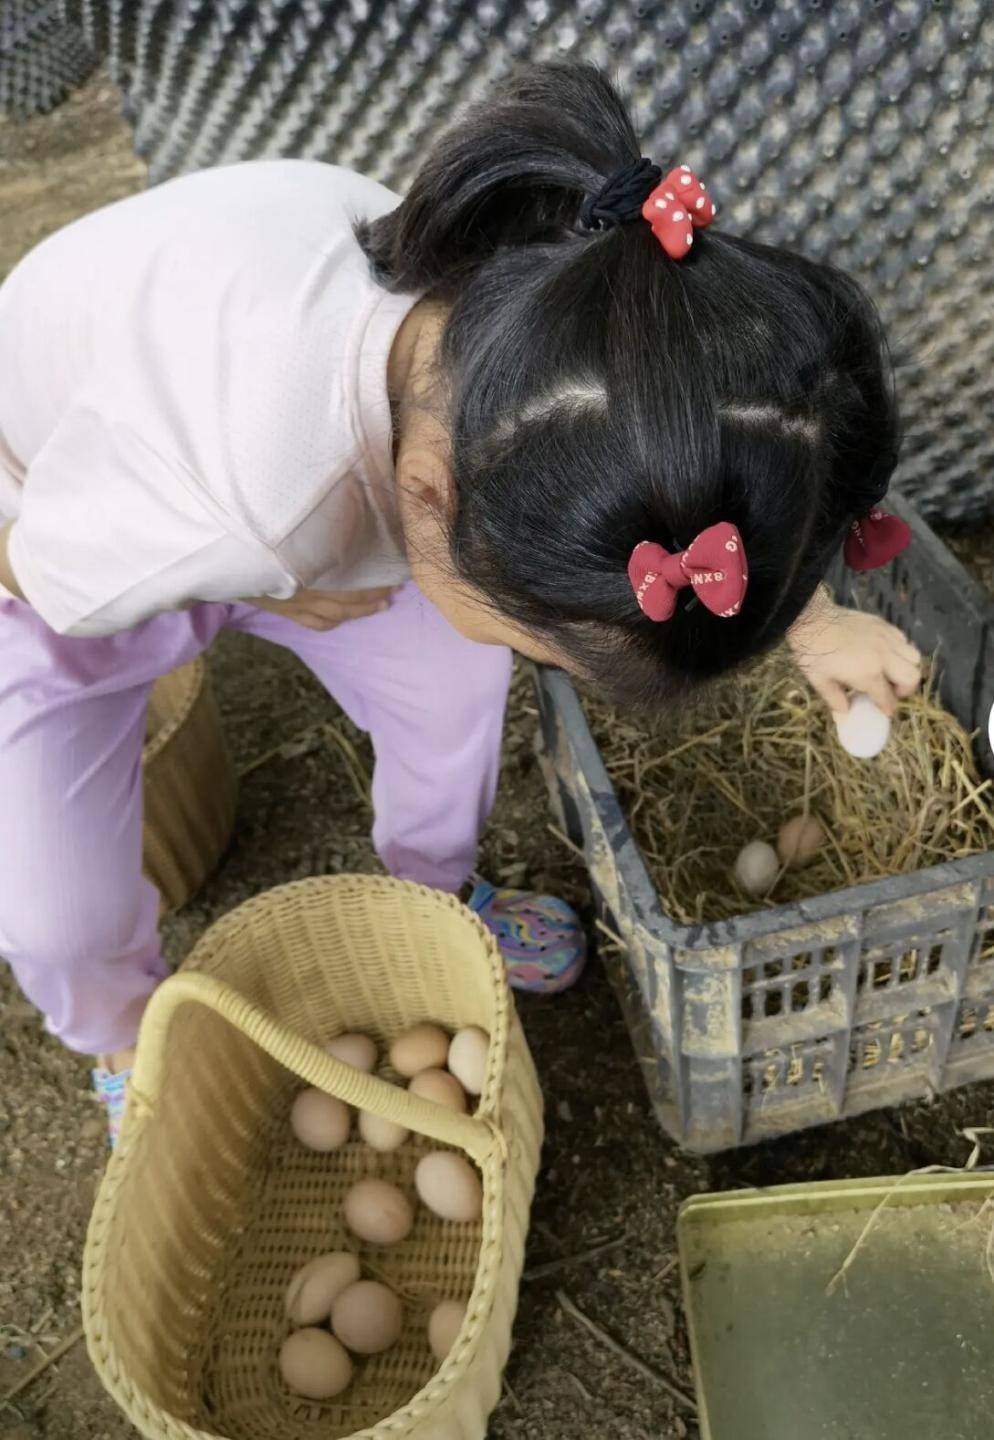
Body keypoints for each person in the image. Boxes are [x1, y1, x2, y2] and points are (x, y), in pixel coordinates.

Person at [0, 62, 921, 1142]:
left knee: (455, 684)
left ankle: (436, 895)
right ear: (431, 503)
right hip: (62, 526)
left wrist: (811, 618)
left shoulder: (544, 318)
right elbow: (34, 568)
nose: (561, 665)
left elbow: (683, 465)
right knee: (55, 912)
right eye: (559, 650)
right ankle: (122, 1030)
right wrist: (279, 592)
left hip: (288, 488)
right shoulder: (248, 510)